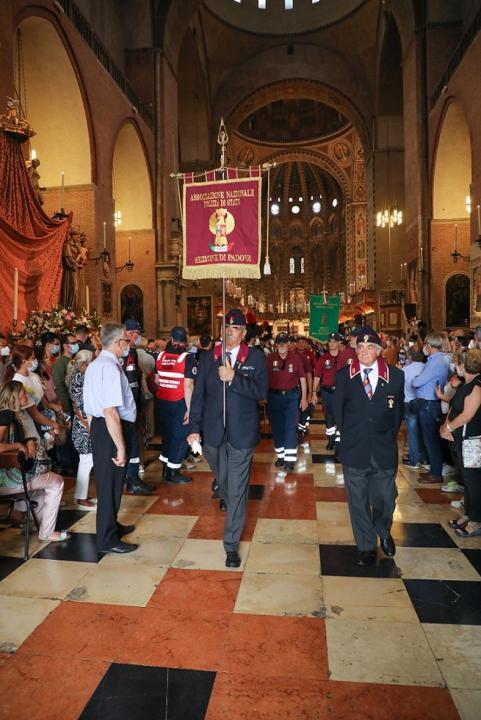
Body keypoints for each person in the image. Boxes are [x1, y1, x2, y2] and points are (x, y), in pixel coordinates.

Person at [188, 308, 268, 568]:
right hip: (213, 432)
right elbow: (198, 395)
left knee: (237, 487)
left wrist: (235, 378)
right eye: (225, 327)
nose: (228, 331)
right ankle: (227, 492)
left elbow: (260, 391)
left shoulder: (255, 357)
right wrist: (193, 428)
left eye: (234, 328)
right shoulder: (210, 357)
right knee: (225, 481)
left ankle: (231, 545)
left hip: (241, 434)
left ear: (243, 332)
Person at [333, 327, 404, 566]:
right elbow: (338, 411)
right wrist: (347, 438)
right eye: (360, 347)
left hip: (383, 448)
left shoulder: (394, 376)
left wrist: (385, 437)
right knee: (358, 500)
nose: (364, 352)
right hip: (355, 447)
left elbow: (397, 415)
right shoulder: (344, 376)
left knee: (385, 497)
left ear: (378, 350)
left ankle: (383, 530)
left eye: (369, 347)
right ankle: (366, 546)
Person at [83, 322, 138, 554]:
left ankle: (111, 525)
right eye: (126, 340)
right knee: (109, 485)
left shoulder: (97, 364)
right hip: (110, 428)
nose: (129, 344)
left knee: (112, 482)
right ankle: (107, 539)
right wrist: (120, 447)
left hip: (101, 428)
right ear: (118, 343)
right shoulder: (110, 368)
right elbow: (110, 411)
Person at [0, 381, 69, 542]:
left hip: (9, 477)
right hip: (7, 480)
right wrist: (19, 445)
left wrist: (28, 441)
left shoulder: (12, 415)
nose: (26, 396)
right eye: (23, 393)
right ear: (15, 396)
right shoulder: (6, 415)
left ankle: (36, 524)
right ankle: (47, 532)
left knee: (40, 489)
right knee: (57, 482)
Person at [440, 349, 481, 537]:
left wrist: (448, 428)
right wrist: (445, 426)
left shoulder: (477, 386)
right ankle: (468, 514)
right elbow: (455, 407)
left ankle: (477, 520)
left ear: (464, 366)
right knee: (466, 479)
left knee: (474, 481)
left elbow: (467, 415)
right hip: (459, 440)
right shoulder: (466, 384)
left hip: (473, 442)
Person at [154, 326, 196, 484]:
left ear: (171, 339)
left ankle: (165, 469)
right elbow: (188, 386)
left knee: (167, 436)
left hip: (163, 401)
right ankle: (173, 471)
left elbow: (157, 380)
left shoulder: (160, 356)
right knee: (181, 436)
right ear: (186, 340)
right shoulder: (187, 357)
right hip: (179, 401)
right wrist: (190, 409)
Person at [267, 332, 307, 471]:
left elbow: (302, 378)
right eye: (279, 343)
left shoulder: (295, 359)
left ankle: (290, 461)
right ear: (276, 345)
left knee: (290, 427)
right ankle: (281, 456)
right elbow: (264, 378)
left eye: (284, 343)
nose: (282, 345)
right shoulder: (270, 358)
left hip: (291, 397)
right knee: (277, 428)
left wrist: (304, 398)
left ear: (288, 344)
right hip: (274, 397)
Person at [412, 333, 449, 483]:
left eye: (425, 344)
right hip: (429, 402)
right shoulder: (435, 359)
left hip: (429, 404)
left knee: (431, 440)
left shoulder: (437, 361)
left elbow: (418, 382)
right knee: (429, 439)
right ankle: (435, 470)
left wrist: (415, 379)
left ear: (429, 346)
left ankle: (436, 473)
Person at [122, 319, 151, 494]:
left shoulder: (132, 352)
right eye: (136, 334)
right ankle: (131, 479)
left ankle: (133, 477)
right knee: (131, 442)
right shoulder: (123, 353)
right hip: (126, 407)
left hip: (134, 404)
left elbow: (136, 378)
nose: (137, 338)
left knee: (134, 441)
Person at [69, 350, 96, 510]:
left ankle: (82, 495)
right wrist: (88, 423)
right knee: (86, 461)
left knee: (87, 460)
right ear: (85, 364)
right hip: (85, 424)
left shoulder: (77, 376)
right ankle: (81, 498)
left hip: (84, 422)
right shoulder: (82, 377)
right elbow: (81, 403)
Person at [312, 332, 341, 452]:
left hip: (341, 392)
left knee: (340, 416)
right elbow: (317, 376)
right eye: (330, 341)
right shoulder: (323, 359)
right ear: (328, 343)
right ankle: (331, 440)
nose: (332, 343)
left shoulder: (344, 357)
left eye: (334, 341)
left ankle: (339, 443)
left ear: (338, 343)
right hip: (327, 392)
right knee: (329, 416)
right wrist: (314, 392)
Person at [402, 347, 427, 470]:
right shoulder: (426, 367)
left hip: (409, 402)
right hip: (423, 401)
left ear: (410, 356)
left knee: (412, 432)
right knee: (424, 431)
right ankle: (424, 458)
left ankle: (414, 459)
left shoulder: (406, 370)